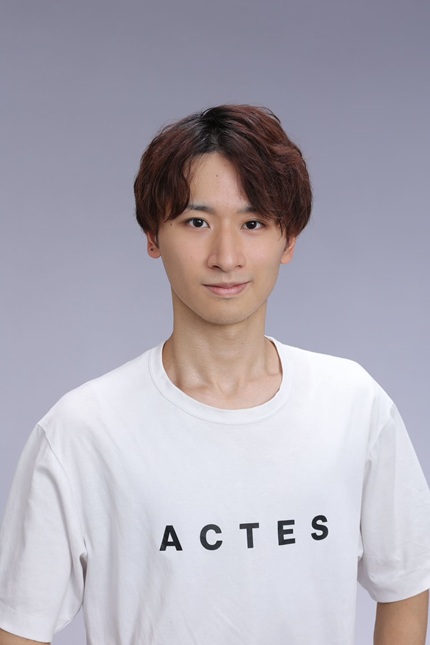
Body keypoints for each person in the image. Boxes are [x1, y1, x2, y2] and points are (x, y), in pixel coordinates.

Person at [0, 105, 429, 645]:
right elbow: (18, 628)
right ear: (153, 236)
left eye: (253, 223)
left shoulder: (353, 405)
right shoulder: (82, 431)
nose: (226, 256)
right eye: (196, 222)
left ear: (289, 240)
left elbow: (408, 584)